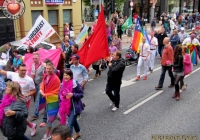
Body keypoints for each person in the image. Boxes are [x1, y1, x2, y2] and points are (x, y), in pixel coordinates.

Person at [0, 64, 37, 137]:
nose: (24, 72)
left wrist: (26, 95)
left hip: (23, 101)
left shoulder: (29, 79)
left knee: (21, 116)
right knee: (13, 117)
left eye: (25, 70)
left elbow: (33, 90)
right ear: (17, 70)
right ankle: (30, 125)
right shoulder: (13, 75)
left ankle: (21, 131)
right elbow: (1, 71)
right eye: (22, 70)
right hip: (12, 99)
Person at [38, 62, 61, 140]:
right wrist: (41, 90)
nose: (48, 70)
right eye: (47, 68)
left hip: (53, 101)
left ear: (53, 69)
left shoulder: (56, 79)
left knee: (49, 117)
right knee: (56, 115)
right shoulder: (45, 76)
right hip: (47, 100)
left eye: (50, 69)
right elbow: (43, 85)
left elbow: (58, 91)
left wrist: (47, 94)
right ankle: (65, 122)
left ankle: (47, 134)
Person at [29, 53, 45, 121]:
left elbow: (46, 76)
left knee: (38, 99)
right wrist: (31, 77)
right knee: (36, 99)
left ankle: (36, 114)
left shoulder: (43, 65)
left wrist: (42, 83)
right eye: (33, 58)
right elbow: (32, 74)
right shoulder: (32, 65)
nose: (34, 60)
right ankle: (45, 108)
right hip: (34, 84)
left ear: (39, 58)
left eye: (36, 58)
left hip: (41, 85)